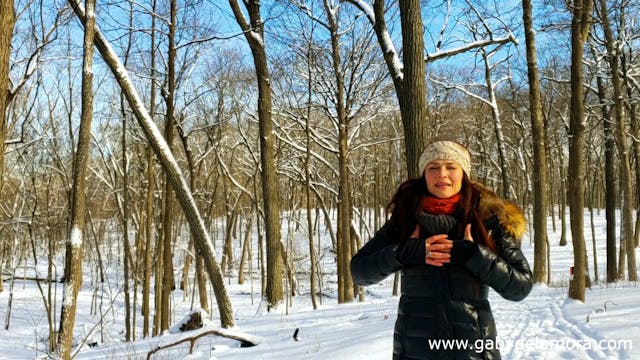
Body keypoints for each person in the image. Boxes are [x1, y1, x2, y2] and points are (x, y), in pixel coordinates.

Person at [351, 140, 533, 360]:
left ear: (463, 173)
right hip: (414, 352)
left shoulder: (489, 219)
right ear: (424, 174)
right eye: (433, 167)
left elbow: (520, 287)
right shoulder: (406, 218)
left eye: (451, 166)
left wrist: (474, 255)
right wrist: (402, 252)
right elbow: (359, 272)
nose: (442, 174)